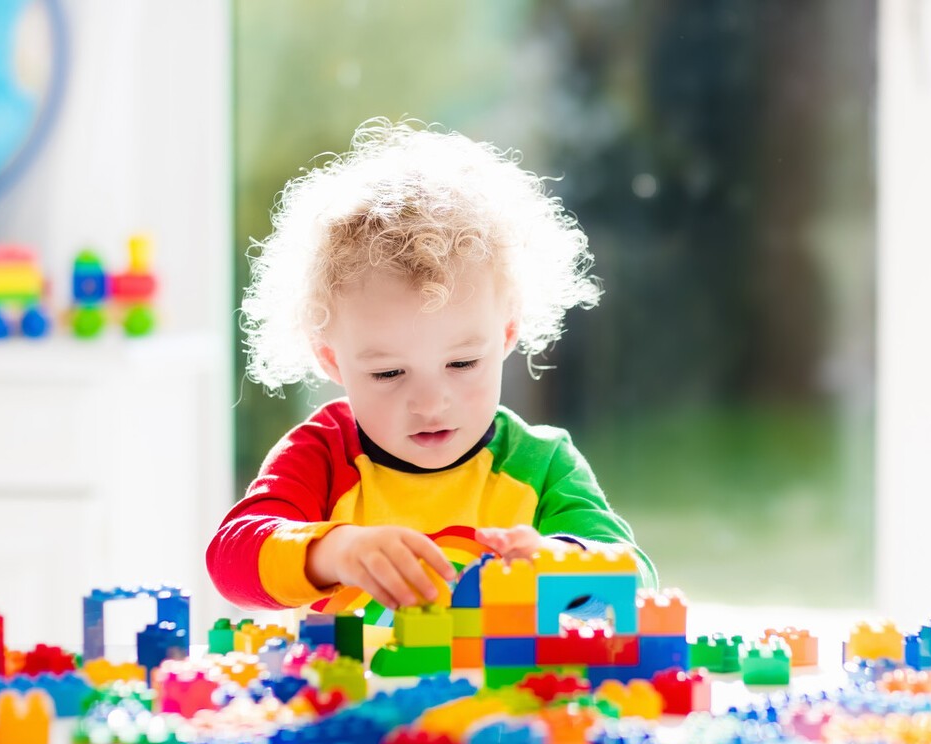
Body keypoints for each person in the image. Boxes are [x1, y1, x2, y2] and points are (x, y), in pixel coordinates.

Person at [207, 119, 657, 625]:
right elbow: (230, 560)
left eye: (462, 363)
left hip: (506, 700)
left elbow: (635, 584)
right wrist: (335, 552)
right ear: (331, 359)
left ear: (506, 334)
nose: (429, 403)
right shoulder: (322, 456)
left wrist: (561, 562)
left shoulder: (540, 465)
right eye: (388, 373)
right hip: (356, 700)